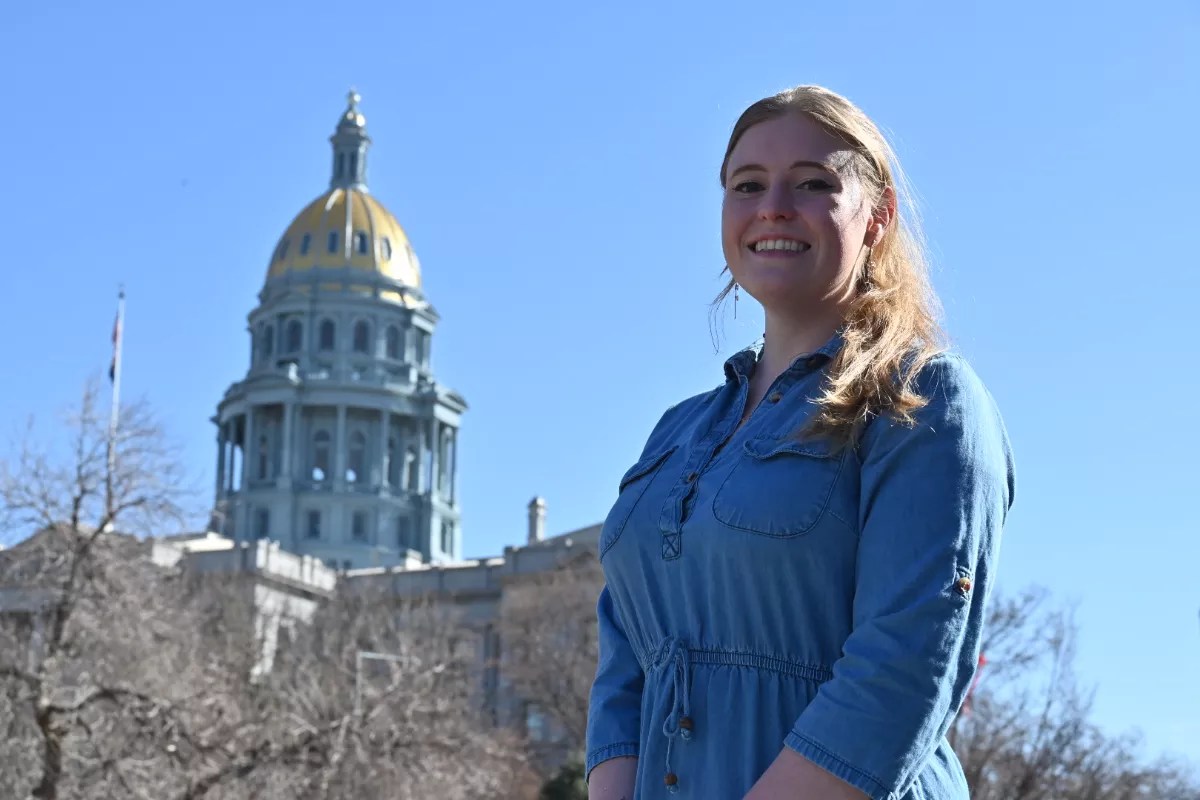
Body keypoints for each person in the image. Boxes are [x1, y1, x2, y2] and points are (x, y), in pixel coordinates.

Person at [584, 85, 1016, 800]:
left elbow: (903, 667)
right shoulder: (676, 433)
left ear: (877, 217)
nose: (772, 207)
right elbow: (625, 663)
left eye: (814, 184)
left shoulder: (924, 400)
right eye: (746, 185)